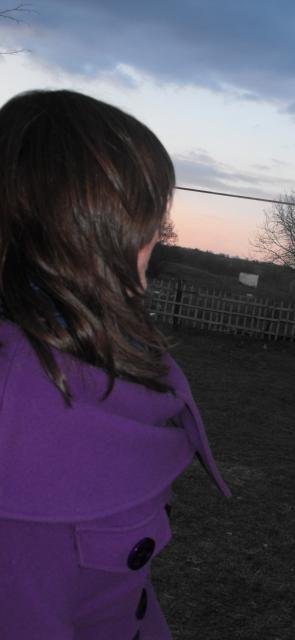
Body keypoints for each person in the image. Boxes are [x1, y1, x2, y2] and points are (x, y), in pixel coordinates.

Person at [0, 89, 231, 640]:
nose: (157, 236)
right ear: (81, 230)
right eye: (147, 217)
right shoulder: (22, 432)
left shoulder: (92, 354)